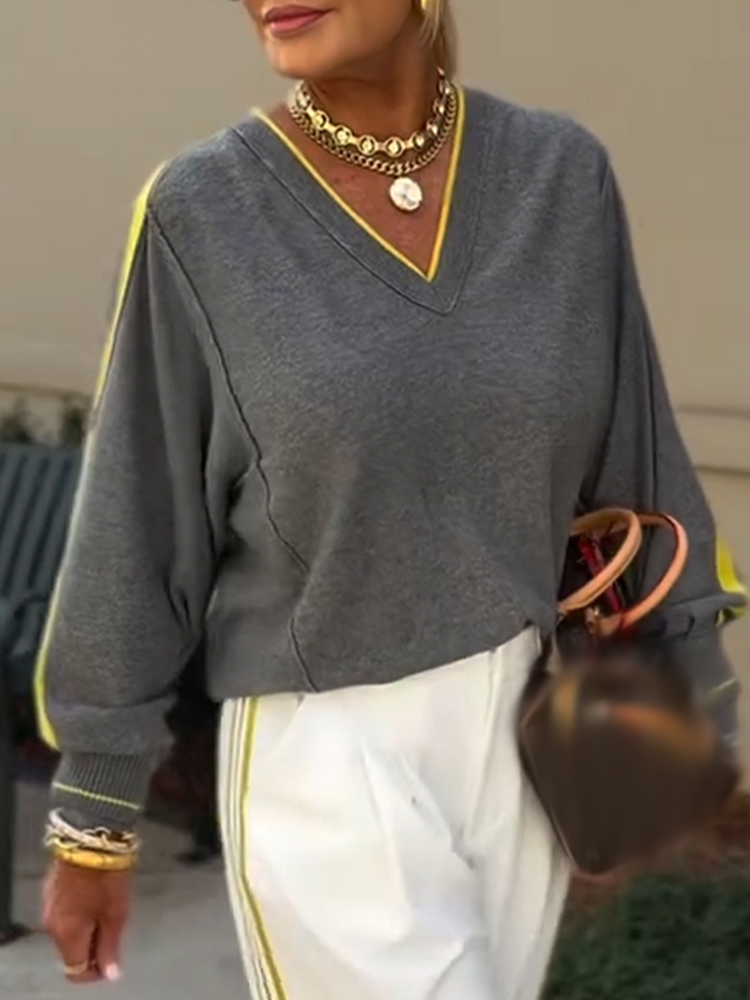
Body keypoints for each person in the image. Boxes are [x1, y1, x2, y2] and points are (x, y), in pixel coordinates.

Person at [37, 0, 747, 997]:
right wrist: (94, 812)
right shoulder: (202, 212)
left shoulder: (559, 178)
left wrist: (692, 708)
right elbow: (138, 522)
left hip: (531, 734)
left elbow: (638, 460)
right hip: (327, 757)